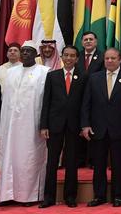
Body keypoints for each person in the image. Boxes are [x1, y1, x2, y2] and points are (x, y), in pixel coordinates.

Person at [81, 48, 121, 207]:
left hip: (120, 129)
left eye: (113, 58)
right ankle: (99, 196)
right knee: (98, 164)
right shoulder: (94, 78)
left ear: (120, 60)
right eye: (107, 58)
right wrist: (85, 125)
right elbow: (86, 104)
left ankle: (119, 196)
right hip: (98, 129)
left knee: (119, 164)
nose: (110, 61)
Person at [0, 41, 49, 205]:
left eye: (29, 51)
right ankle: (6, 195)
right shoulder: (10, 72)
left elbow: (46, 101)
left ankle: (30, 196)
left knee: (29, 158)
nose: (25, 53)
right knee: (8, 157)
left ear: (36, 54)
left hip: (31, 125)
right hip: (9, 125)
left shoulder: (44, 72)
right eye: (23, 51)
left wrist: (44, 124)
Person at [39, 45, 86, 208]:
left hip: (74, 126)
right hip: (54, 125)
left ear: (77, 59)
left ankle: (70, 196)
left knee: (72, 162)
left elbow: (85, 104)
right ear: (62, 57)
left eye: (72, 56)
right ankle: (48, 197)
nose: (69, 58)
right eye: (66, 55)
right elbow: (46, 102)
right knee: (52, 162)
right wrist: (43, 125)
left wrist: (83, 125)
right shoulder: (52, 76)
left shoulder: (83, 76)